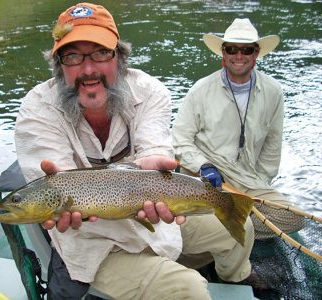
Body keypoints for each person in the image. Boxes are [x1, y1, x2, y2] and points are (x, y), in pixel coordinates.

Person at [15, 4, 254, 299]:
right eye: (73, 56)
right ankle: (165, 274)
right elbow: (55, 179)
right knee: (187, 290)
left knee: (242, 229)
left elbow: (153, 146)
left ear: (120, 58)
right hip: (92, 242)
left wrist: (150, 165)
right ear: (59, 66)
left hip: (153, 216)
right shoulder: (37, 108)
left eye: (101, 53)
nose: (88, 69)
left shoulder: (150, 91)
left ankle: (234, 283)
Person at [172, 18, 304, 240]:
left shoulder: (274, 91)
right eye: (232, 49)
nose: (239, 56)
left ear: (256, 54)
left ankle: (225, 219)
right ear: (223, 53)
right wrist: (203, 166)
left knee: (294, 218)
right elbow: (179, 139)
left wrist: (260, 182)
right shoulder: (200, 90)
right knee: (203, 212)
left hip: (248, 181)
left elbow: (273, 144)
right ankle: (226, 221)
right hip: (205, 178)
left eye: (246, 50)